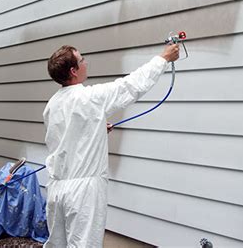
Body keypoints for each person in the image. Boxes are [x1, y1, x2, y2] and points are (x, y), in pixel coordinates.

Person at [43, 43, 180, 247]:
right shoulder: (90, 97)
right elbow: (131, 85)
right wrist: (163, 58)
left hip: (56, 190)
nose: (85, 63)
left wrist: (95, 128)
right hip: (83, 192)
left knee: (57, 245)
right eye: (81, 60)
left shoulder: (53, 104)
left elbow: (66, 135)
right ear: (73, 71)